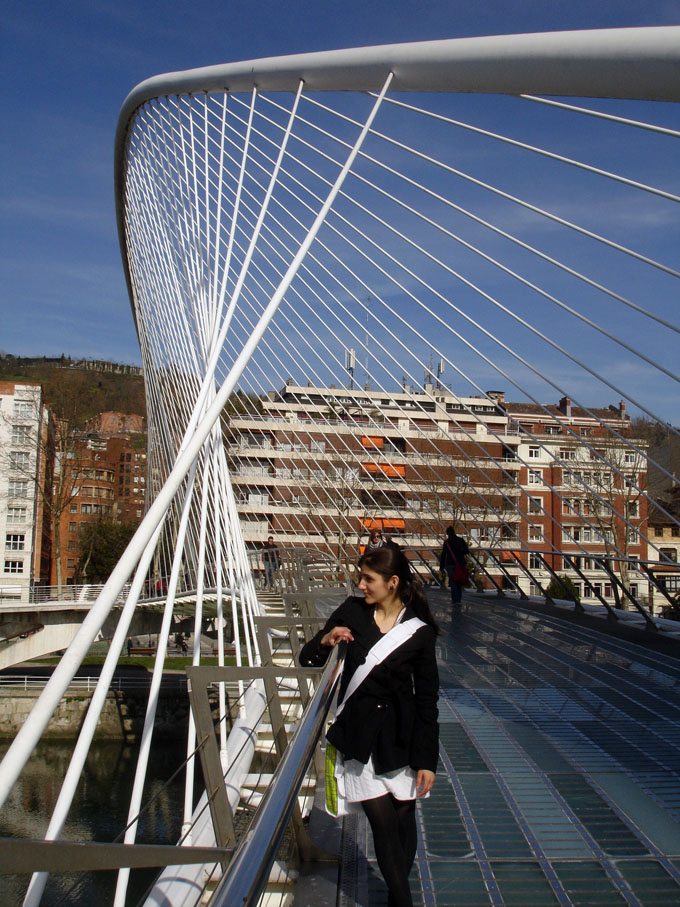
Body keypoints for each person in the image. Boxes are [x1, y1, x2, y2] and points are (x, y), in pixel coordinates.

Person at [299, 546, 439, 907]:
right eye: (359, 577)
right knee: (382, 823)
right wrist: (326, 640)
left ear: (392, 583)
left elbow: (427, 699)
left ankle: (396, 898)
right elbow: (308, 656)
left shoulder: (419, 631)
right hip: (359, 737)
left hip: (401, 737)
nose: (360, 584)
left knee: (404, 818)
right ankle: (405, 901)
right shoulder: (352, 612)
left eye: (368, 579)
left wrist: (427, 759)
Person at [439, 526, 470, 610]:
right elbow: (467, 551)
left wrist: (441, 566)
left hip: (450, 564)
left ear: (448, 533)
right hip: (460, 564)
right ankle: (459, 599)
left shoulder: (447, 542)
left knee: (453, 582)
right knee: (459, 581)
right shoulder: (460, 540)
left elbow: (443, 555)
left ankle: (455, 601)